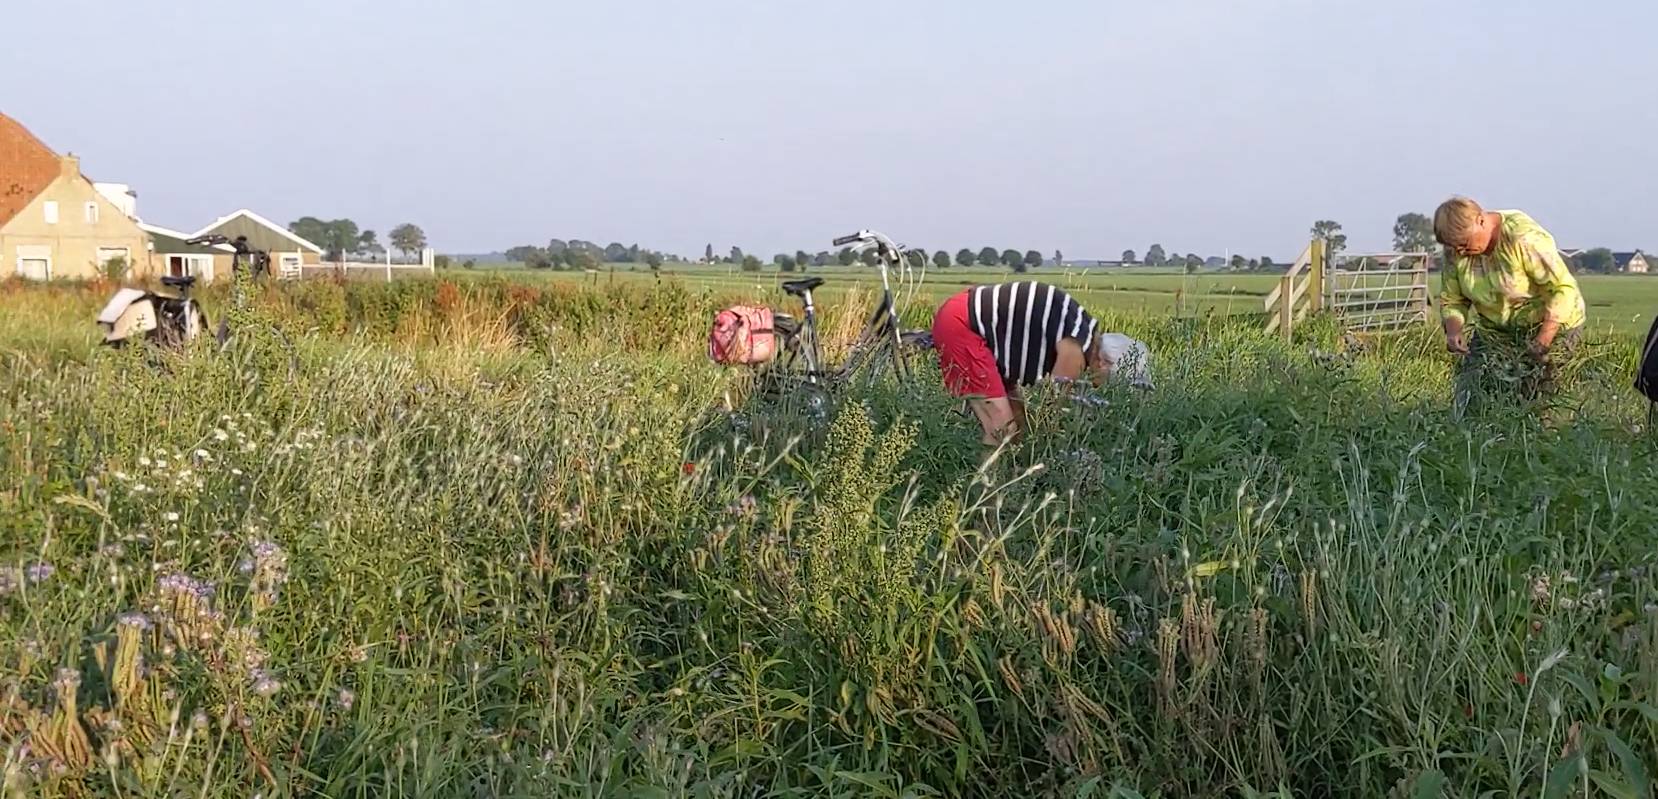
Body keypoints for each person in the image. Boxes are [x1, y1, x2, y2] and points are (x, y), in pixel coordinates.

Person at [930, 281, 1151, 445]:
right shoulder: (1075, 351)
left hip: (977, 324)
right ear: (1103, 364)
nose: (1102, 388)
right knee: (1001, 429)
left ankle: (1006, 487)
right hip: (963, 324)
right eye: (1109, 382)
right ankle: (986, 500)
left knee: (1016, 424)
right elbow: (1048, 411)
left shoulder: (1083, 328)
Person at [1434, 196, 1586, 401]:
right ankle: (1475, 430)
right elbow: (1452, 299)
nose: (1460, 251)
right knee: (1473, 392)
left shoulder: (1522, 238)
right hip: (1495, 328)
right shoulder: (1455, 252)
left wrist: (1543, 341)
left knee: (1538, 397)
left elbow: (1561, 289)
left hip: (1550, 325)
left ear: (1481, 221)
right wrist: (1454, 331)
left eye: (1463, 243)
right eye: (1454, 246)